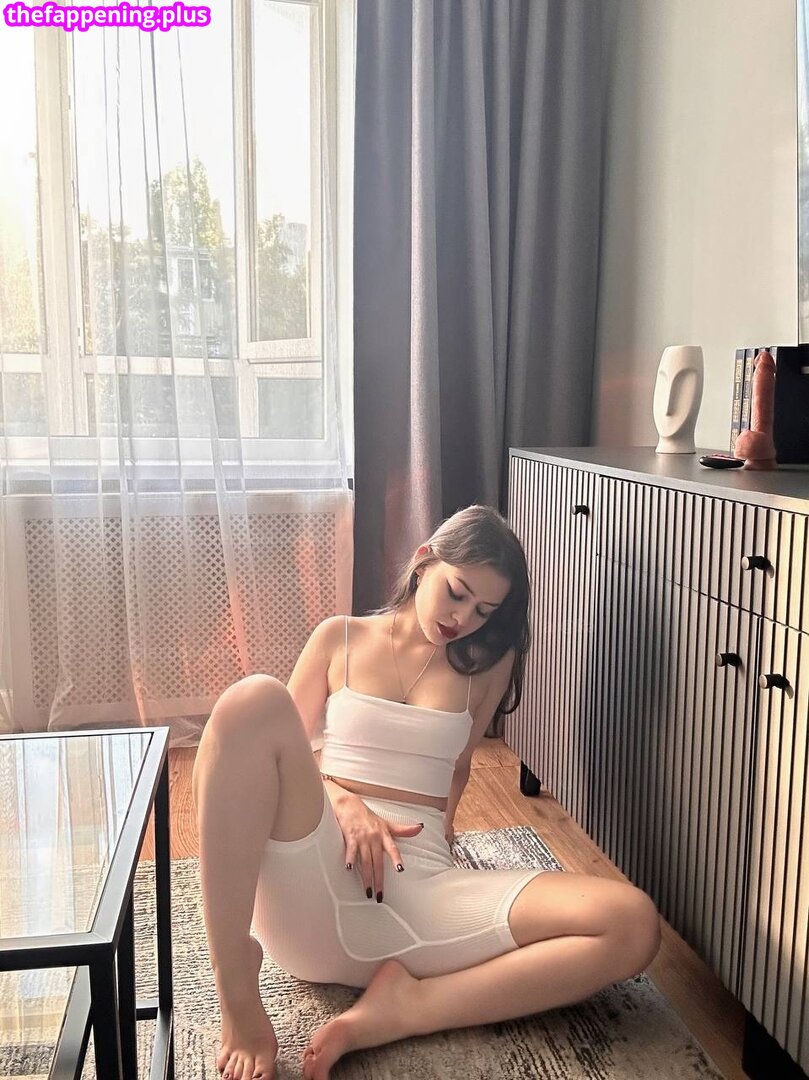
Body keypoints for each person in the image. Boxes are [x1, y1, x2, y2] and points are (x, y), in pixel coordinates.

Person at [192, 505, 662, 1080]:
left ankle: (409, 1008)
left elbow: (457, 769)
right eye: (457, 593)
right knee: (252, 701)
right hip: (312, 873)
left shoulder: (490, 665)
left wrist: (443, 840)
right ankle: (237, 997)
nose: (464, 619)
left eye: (484, 611)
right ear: (424, 563)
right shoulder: (338, 637)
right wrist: (343, 801)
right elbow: (275, 758)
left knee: (633, 923)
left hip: (418, 890)